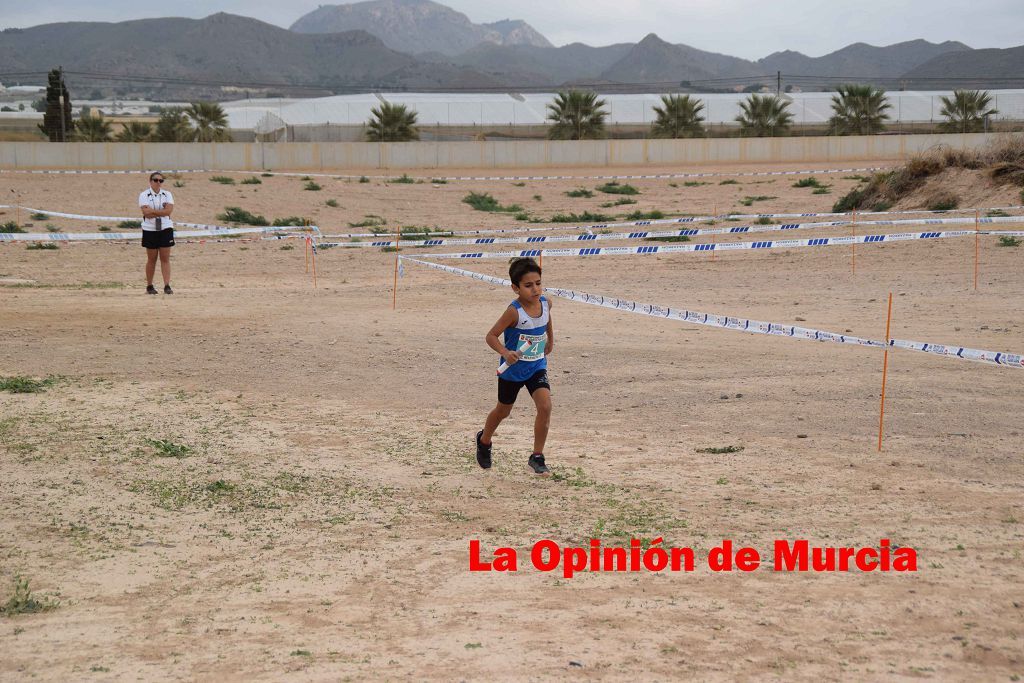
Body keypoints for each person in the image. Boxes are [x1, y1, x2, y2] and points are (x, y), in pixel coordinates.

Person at [476, 257, 554, 474]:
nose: (535, 289)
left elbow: (547, 320)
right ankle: (484, 441)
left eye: (538, 283)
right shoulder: (514, 312)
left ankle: (537, 456)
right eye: (528, 286)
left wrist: (551, 340)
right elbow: (491, 336)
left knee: (545, 406)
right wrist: (504, 352)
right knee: (503, 411)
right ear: (515, 288)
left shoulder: (546, 303)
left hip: (537, 365)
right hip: (512, 371)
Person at [139, 171, 175, 294]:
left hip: (165, 228)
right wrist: (161, 211)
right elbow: (146, 213)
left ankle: (167, 285)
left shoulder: (167, 194)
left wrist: (154, 212)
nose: (158, 183)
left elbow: (168, 211)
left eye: (161, 180)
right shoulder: (144, 195)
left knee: (165, 258)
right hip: (150, 229)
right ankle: (149, 286)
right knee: (151, 259)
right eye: (156, 180)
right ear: (150, 181)